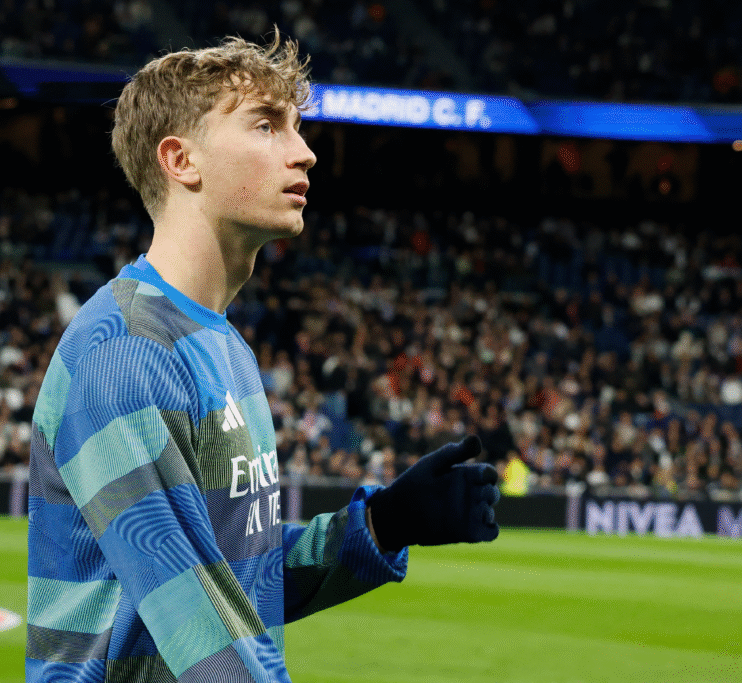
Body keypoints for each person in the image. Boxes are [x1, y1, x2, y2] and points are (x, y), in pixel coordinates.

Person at [26, 30, 500, 683]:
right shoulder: (127, 351)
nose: (304, 153)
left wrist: (385, 523)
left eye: (297, 128)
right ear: (181, 160)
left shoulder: (222, 343)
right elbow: (198, 625)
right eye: (267, 126)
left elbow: (238, 574)